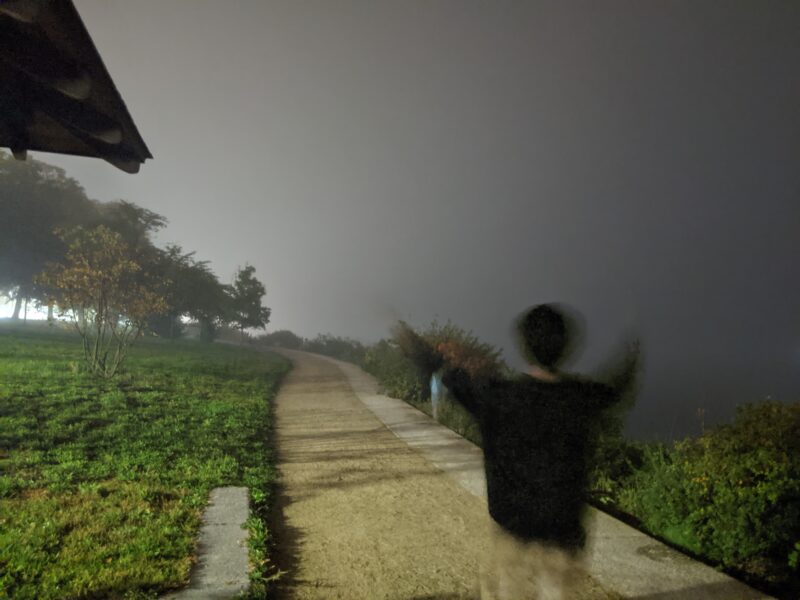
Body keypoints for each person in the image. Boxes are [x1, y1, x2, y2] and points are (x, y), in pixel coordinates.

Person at [395, 304, 641, 599]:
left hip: (513, 534)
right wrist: (631, 355)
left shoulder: (498, 398)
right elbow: (617, 388)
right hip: (564, 537)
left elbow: (446, 372)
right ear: (566, 346)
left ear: (525, 345)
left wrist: (414, 344)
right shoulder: (581, 397)